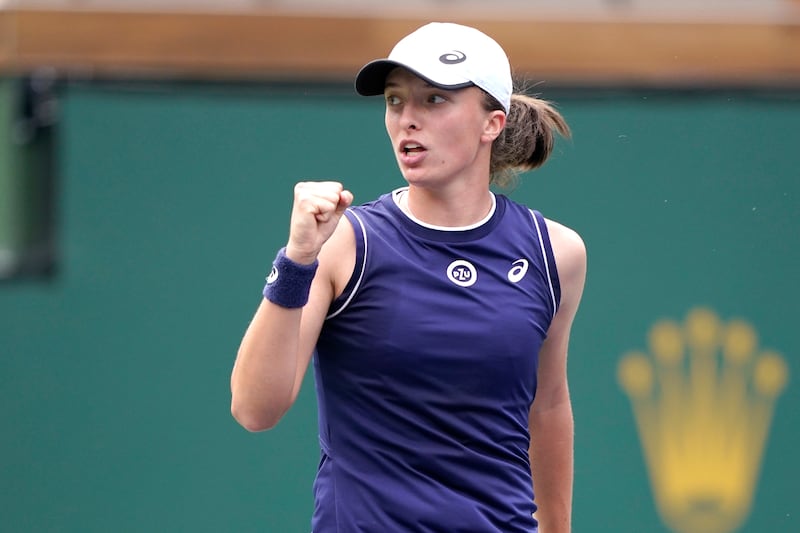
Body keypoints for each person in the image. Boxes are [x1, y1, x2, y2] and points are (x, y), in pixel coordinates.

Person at [230, 21, 587, 533]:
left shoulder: (557, 253)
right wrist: (298, 258)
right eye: (395, 102)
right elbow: (253, 409)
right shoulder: (343, 244)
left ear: (492, 123)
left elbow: (547, 404)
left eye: (434, 100)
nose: (407, 120)